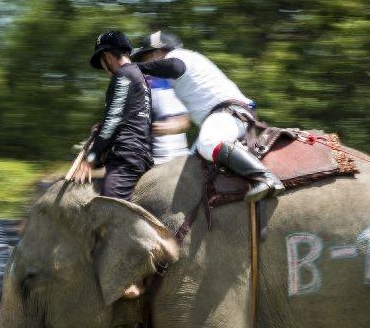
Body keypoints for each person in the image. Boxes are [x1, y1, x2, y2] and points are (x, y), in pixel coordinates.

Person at [131, 31, 284, 203]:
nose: (145, 62)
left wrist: (131, 69)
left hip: (228, 114)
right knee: (188, 171)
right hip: (224, 116)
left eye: (146, 57)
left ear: (159, 52)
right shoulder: (178, 73)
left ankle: (265, 178)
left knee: (208, 143)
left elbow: (174, 67)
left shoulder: (180, 56)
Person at [73, 30, 153, 200]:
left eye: (102, 62)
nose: (104, 68)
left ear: (107, 57)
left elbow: (113, 121)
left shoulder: (123, 75)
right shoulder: (140, 77)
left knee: (108, 208)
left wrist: (91, 158)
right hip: (140, 153)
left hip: (126, 156)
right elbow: (130, 117)